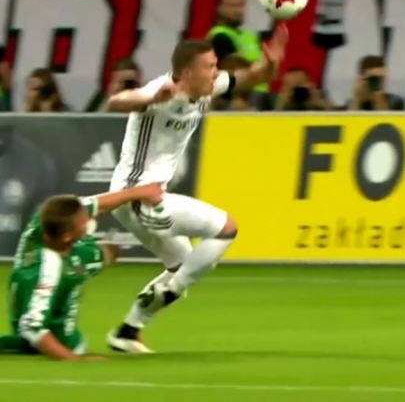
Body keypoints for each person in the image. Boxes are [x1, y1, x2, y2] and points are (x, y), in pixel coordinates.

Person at [105, 25, 288, 353]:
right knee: (225, 229)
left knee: (185, 265)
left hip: (146, 198)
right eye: (210, 66)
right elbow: (117, 102)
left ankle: (127, 331)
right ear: (188, 73)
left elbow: (252, 77)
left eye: (216, 65)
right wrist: (149, 98)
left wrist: (272, 63)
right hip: (137, 196)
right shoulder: (162, 90)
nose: (216, 72)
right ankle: (171, 291)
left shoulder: (208, 87)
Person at [0, 182, 164, 361]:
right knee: (84, 266)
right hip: (62, 341)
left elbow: (97, 204)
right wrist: (74, 359)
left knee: (110, 250)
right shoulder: (47, 269)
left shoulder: (45, 219)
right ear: (67, 236)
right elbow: (31, 328)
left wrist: (140, 192)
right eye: (83, 223)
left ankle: (80, 271)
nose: (88, 221)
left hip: (70, 258)